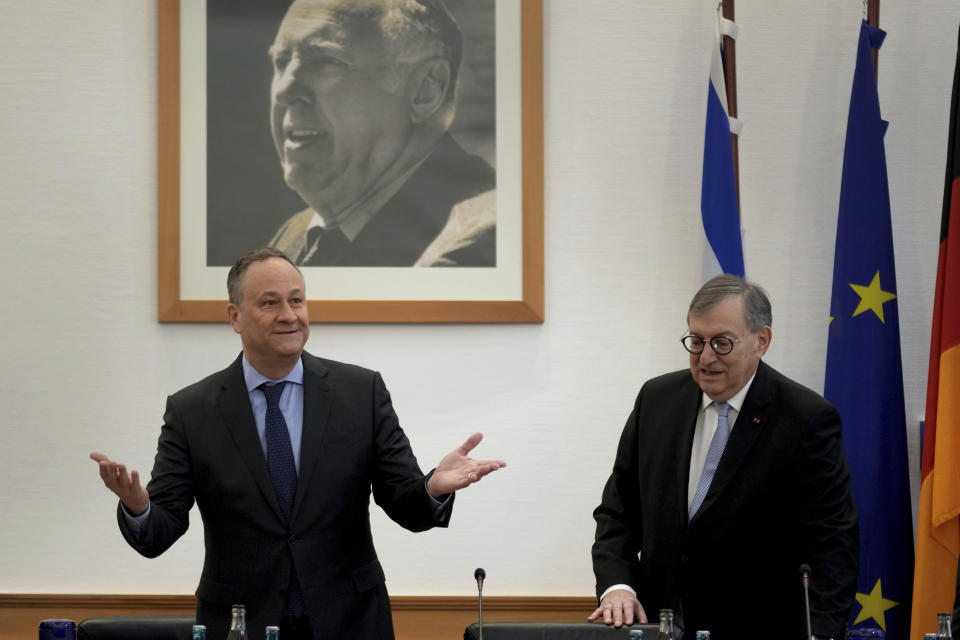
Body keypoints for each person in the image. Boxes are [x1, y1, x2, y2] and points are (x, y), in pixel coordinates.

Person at [91, 247, 505, 640]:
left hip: (350, 621)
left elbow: (404, 503)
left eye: (297, 301)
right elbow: (160, 531)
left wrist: (432, 487)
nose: (289, 315)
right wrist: (139, 507)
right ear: (235, 316)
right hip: (241, 623)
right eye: (270, 303)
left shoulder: (361, 392)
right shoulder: (192, 410)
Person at [589, 275, 858, 640]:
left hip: (761, 628)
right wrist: (617, 585)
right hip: (661, 625)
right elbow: (617, 512)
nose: (705, 357)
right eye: (696, 341)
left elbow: (832, 542)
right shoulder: (656, 399)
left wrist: (822, 633)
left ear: (761, 341)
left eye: (721, 342)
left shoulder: (806, 418)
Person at [266, 0, 496, 268]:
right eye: (281, 62)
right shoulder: (292, 236)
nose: (285, 91)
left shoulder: (477, 243)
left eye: (327, 61)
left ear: (426, 89)